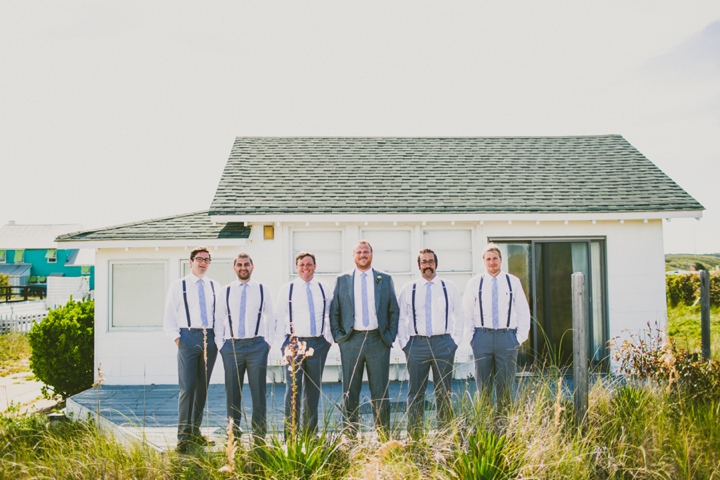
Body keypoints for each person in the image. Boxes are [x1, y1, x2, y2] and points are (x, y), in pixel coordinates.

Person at [329, 240, 400, 439]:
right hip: (351, 341)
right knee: (350, 392)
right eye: (359, 252)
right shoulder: (343, 280)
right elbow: (334, 311)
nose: (363, 255)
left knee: (380, 393)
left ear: (372, 254)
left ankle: (383, 438)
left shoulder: (384, 279)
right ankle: (350, 438)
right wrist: (339, 336)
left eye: (366, 252)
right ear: (353, 256)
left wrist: (390, 335)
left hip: (378, 341)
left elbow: (393, 309)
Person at [397, 248, 464, 439]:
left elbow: (459, 315)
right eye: (424, 262)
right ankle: (415, 437)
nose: (428, 265)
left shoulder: (448, 286)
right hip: (416, 345)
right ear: (419, 265)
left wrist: (455, 341)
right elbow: (401, 319)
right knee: (415, 393)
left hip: (443, 343)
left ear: (436, 264)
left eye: (430, 261)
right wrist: (404, 344)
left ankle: (445, 437)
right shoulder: (409, 288)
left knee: (444, 393)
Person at [163, 246, 220, 453]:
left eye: (207, 259)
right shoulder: (179, 286)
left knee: (202, 388)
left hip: (210, 338)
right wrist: (179, 339)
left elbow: (219, 316)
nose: (203, 263)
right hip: (187, 337)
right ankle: (183, 437)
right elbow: (169, 317)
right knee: (187, 388)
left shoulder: (215, 286)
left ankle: (195, 432)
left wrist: (218, 340)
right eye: (199, 259)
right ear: (191, 262)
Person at [215, 253, 275, 441]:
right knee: (232, 390)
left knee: (259, 391)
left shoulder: (263, 289)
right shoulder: (225, 290)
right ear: (234, 267)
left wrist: (268, 342)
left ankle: (259, 432)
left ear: (252, 266)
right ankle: (234, 429)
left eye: (246, 264)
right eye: (239, 265)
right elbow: (219, 318)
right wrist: (220, 344)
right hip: (231, 346)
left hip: (257, 345)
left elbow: (271, 316)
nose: (243, 268)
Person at [463, 243, 531, 405]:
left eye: (495, 258)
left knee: (505, 387)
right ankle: (485, 425)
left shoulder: (512, 282)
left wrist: (518, 338)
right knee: (483, 387)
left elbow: (523, 310)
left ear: (501, 260)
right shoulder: (474, 283)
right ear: (483, 261)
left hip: (506, 337)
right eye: (488, 259)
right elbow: (466, 311)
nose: (492, 262)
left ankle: (504, 425)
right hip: (482, 338)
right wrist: (472, 338)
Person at [275, 252, 333, 437]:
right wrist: (283, 344)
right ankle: (290, 435)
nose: (305, 267)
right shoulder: (288, 289)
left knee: (313, 391)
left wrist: (328, 340)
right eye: (301, 264)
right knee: (293, 390)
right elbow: (278, 317)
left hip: (318, 344)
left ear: (315, 266)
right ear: (296, 267)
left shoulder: (324, 288)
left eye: (309, 264)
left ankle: (310, 435)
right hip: (294, 343)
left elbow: (330, 315)